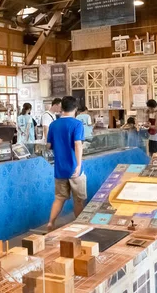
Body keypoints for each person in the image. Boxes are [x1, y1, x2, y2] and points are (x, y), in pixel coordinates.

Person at [46, 96, 86, 231]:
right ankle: (79, 225)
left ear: (61, 108)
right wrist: (79, 165)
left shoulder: (53, 124)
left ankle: (51, 223)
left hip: (59, 168)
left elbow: (48, 145)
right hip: (74, 168)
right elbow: (77, 144)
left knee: (59, 198)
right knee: (78, 200)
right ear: (75, 109)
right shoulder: (77, 124)